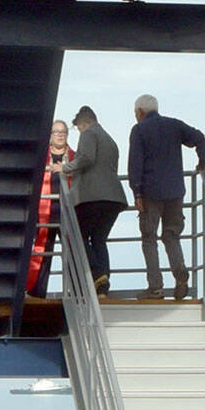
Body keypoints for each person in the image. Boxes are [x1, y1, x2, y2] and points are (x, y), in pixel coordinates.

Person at [127, 93, 205, 301]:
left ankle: (155, 287)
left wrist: (136, 192)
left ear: (140, 112)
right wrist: (203, 162)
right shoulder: (174, 125)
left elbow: (135, 163)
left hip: (151, 193)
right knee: (171, 235)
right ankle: (181, 275)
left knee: (149, 238)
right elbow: (199, 138)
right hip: (175, 192)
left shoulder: (139, 130)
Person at [68, 105, 128, 296]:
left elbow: (86, 158)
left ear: (84, 123)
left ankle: (98, 274)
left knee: (78, 236)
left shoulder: (88, 134)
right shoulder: (110, 140)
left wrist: (65, 168)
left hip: (93, 197)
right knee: (99, 240)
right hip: (115, 198)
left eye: (78, 128)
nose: (79, 131)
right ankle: (103, 287)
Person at [28, 118, 73, 296]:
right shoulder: (41, 156)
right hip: (45, 211)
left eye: (63, 132)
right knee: (43, 253)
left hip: (67, 211)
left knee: (71, 253)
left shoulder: (74, 157)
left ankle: (73, 292)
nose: (60, 135)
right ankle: (37, 291)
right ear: (50, 136)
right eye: (56, 132)